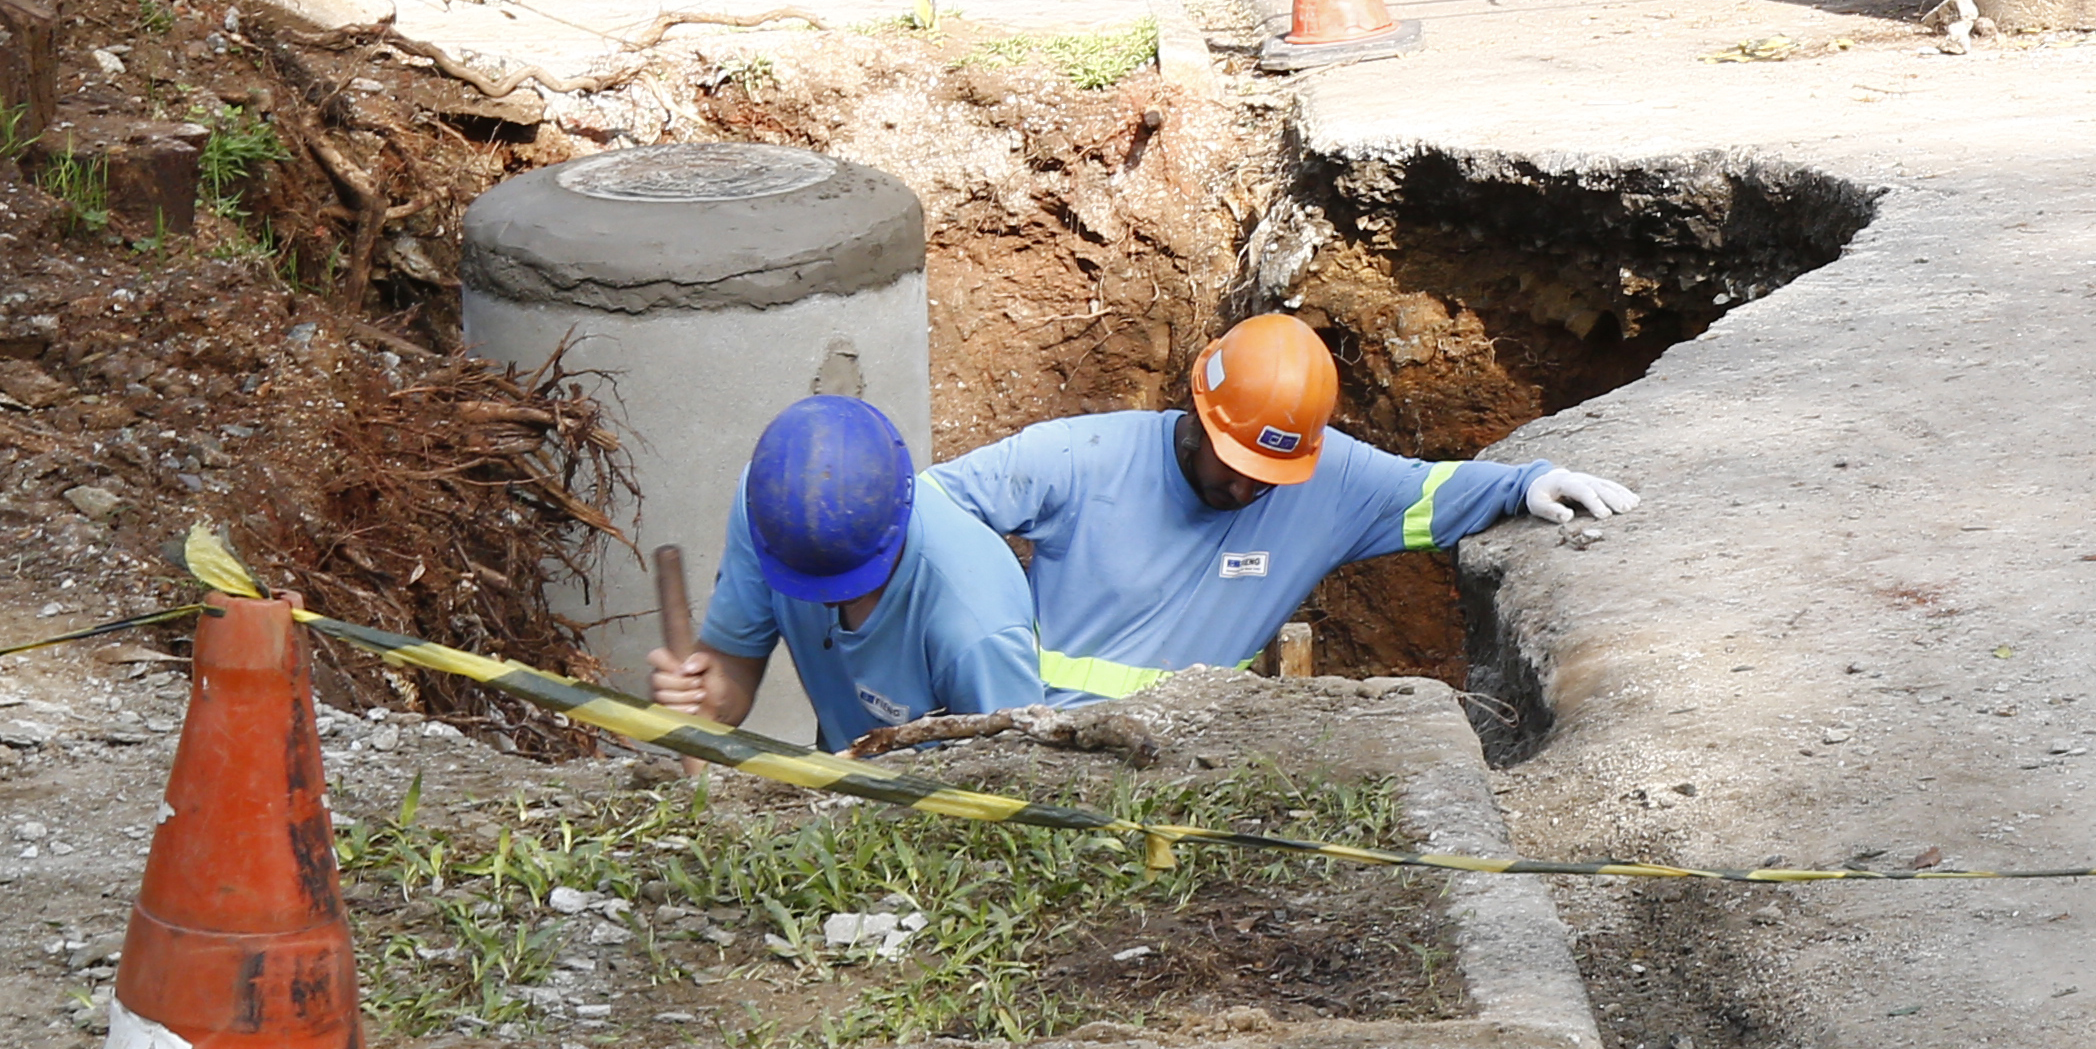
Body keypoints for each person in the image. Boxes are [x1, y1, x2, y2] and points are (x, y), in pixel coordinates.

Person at [933, 312, 1642, 697]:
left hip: (1206, 755)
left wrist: (1524, 483)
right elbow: (932, 509)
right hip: (1048, 742)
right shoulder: (1075, 459)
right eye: (1237, 465)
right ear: (1199, 411)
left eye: (1269, 474)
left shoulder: (1329, 479)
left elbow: (1425, 491)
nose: (1246, 489)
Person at [650, 393, 1044, 741]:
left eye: (849, 586)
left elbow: (1014, 788)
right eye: (808, 583)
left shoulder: (976, 628)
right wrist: (704, 696)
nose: (827, 600)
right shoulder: (771, 506)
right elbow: (732, 665)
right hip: (842, 795)